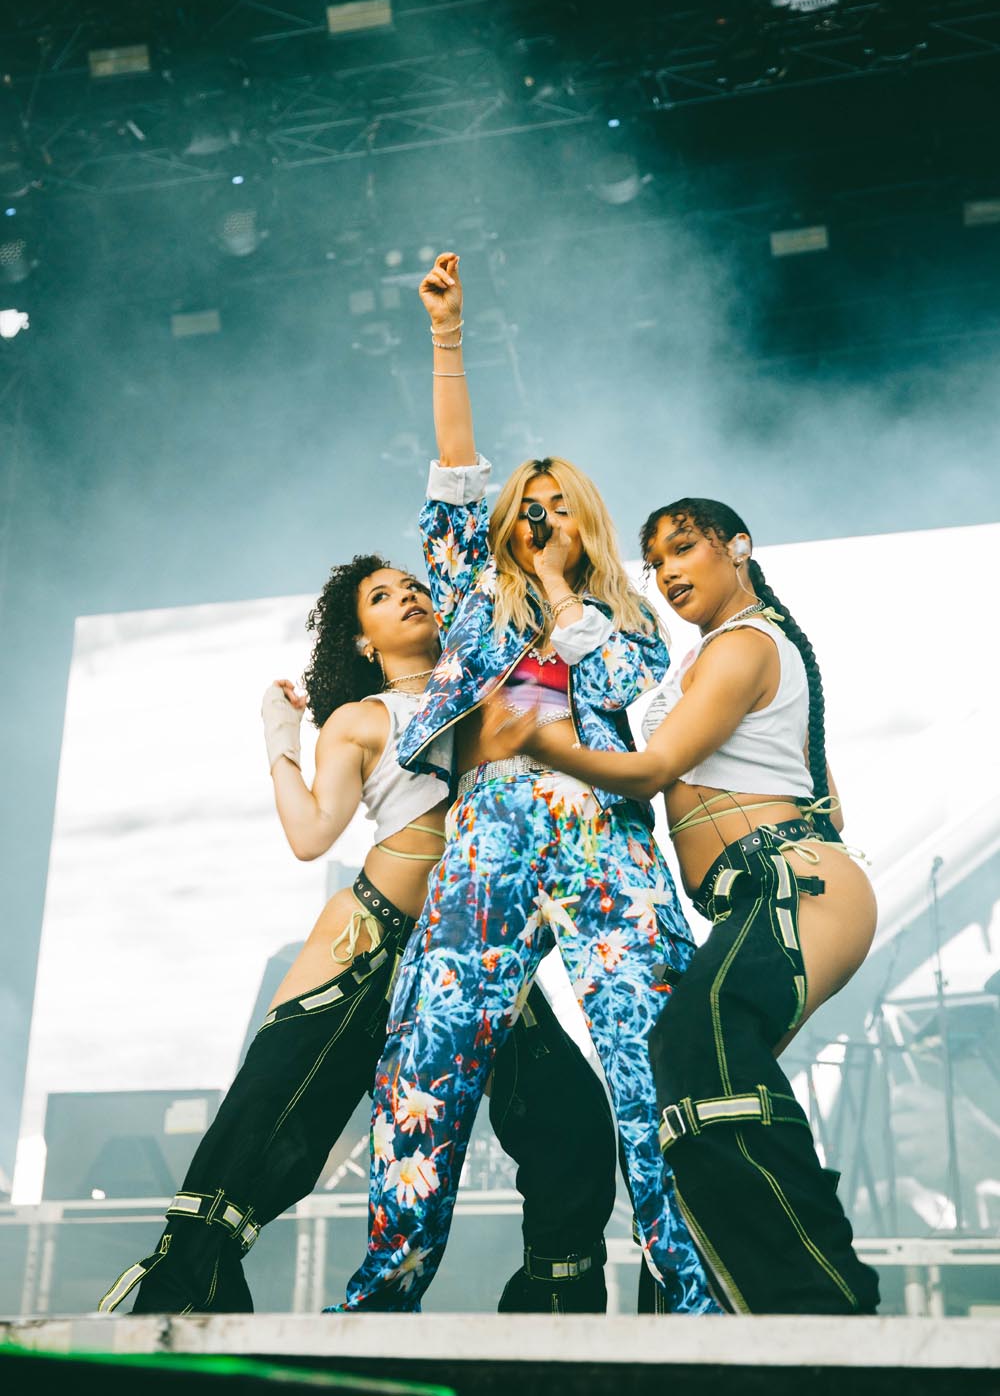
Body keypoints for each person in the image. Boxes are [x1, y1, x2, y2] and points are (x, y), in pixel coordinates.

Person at [333, 254, 714, 1314]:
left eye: (559, 507)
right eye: (526, 507)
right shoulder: (468, 590)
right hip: (491, 827)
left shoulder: (629, 616)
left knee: (653, 1064)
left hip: (603, 835)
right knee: (429, 1063)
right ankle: (383, 1296)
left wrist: (563, 591)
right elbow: (457, 468)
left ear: (585, 522)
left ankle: (693, 1295)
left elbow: (626, 690)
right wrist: (447, 335)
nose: (540, 518)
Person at [99, 555, 617, 1316]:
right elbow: (311, 835)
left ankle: (557, 1309)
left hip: (473, 953)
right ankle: (183, 1296)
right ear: (363, 640)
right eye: (381, 596)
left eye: (414, 586)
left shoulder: (491, 694)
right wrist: (280, 736)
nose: (406, 596)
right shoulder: (361, 719)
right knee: (266, 1122)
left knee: (571, 1121)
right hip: (370, 940)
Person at [480, 497, 881, 1314]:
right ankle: (734, 1298)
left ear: (739, 548)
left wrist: (543, 742)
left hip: (789, 882)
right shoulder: (718, 655)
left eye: (684, 548)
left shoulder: (744, 645)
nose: (666, 572)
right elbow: (828, 797)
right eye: (655, 561)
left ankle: (822, 1300)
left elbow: (653, 769)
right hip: (769, 886)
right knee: (697, 1080)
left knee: (693, 1045)